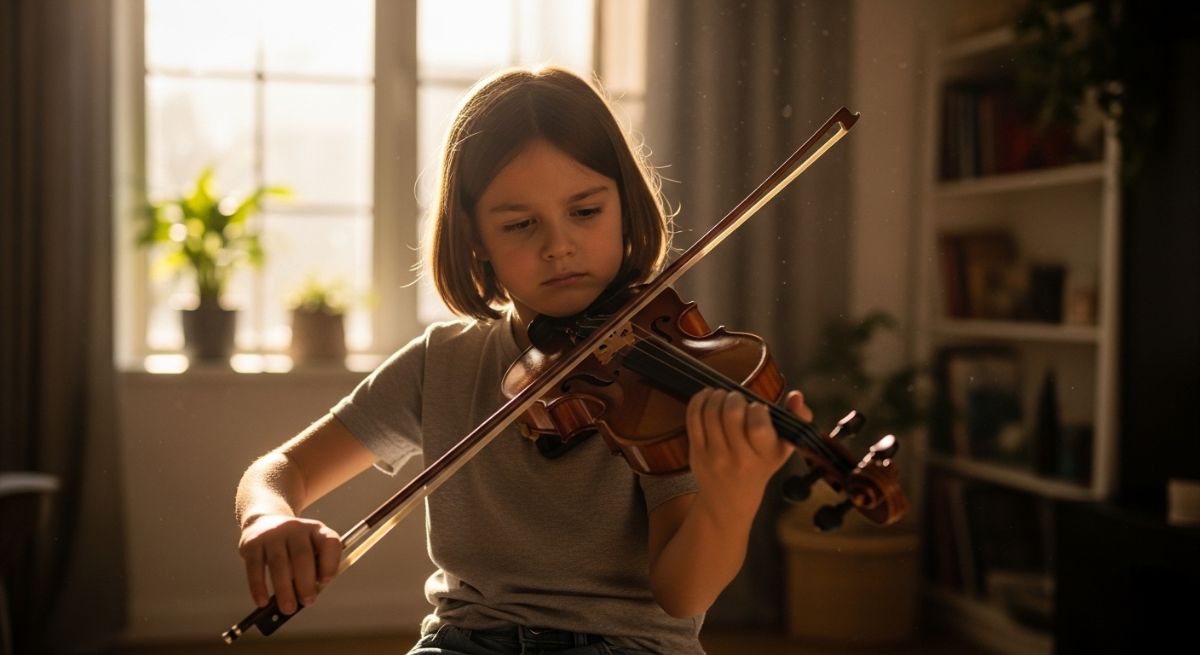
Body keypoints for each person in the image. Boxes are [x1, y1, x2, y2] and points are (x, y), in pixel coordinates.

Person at [235, 66, 812, 655]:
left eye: (585, 212)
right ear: (475, 238)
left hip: (625, 646)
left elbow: (681, 594)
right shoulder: (442, 364)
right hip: (465, 641)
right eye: (519, 224)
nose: (558, 244)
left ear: (624, 204)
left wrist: (731, 500)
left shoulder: (665, 375)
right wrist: (267, 516)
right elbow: (281, 471)